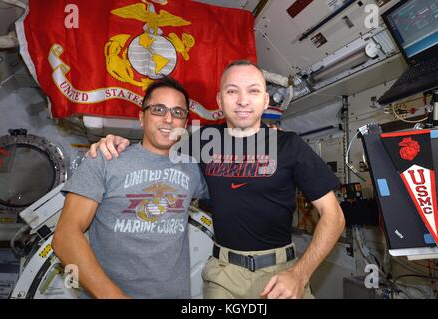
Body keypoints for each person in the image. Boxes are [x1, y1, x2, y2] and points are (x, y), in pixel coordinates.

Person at [89, 60, 345, 299]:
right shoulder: (202, 141)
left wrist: (299, 275)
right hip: (223, 277)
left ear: (266, 100)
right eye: (232, 91)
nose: (243, 100)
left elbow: (334, 216)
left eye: (253, 91)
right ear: (219, 101)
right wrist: (117, 144)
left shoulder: (290, 146)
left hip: (281, 273)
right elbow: (158, 154)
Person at [52, 77, 208, 299]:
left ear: (185, 123)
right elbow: (65, 236)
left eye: (178, 112)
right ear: (142, 117)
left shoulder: (193, 170)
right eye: (158, 109)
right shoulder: (105, 158)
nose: (168, 118)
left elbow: (240, 195)